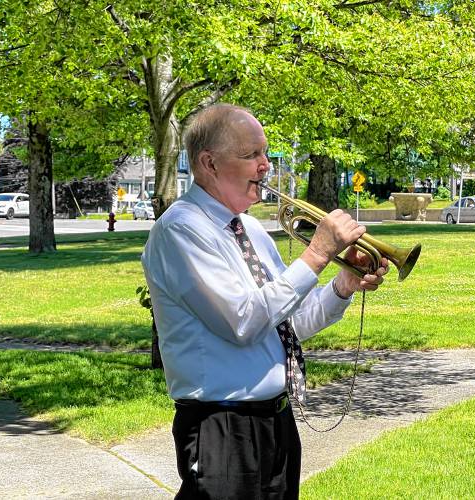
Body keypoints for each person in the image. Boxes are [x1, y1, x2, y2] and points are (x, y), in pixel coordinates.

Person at [141, 104, 388, 500]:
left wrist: (344, 284)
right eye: (251, 155)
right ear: (209, 163)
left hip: (276, 422)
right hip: (221, 427)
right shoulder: (181, 229)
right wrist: (317, 253)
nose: (265, 166)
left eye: (265, 153)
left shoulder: (251, 229)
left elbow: (286, 327)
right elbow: (243, 322)